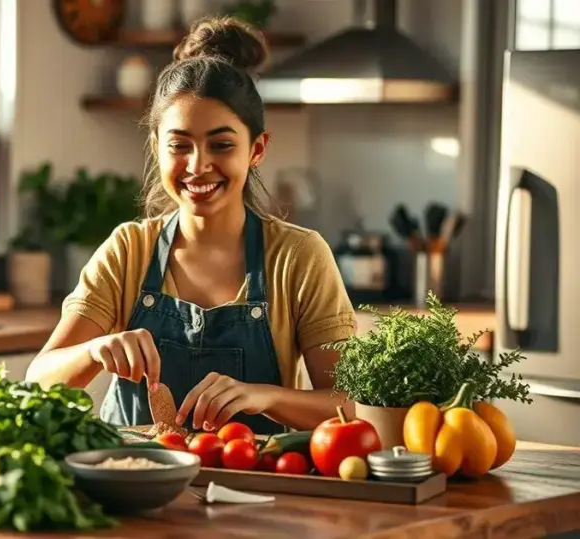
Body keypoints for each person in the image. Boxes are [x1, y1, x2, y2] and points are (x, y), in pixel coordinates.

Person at [24, 16, 357, 435]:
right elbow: (37, 380)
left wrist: (265, 396)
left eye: (221, 145)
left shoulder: (298, 257)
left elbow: (350, 405)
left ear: (256, 149)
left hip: (258, 492)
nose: (198, 166)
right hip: (132, 485)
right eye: (180, 145)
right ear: (156, 147)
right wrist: (94, 350)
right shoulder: (128, 250)